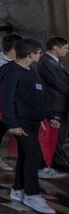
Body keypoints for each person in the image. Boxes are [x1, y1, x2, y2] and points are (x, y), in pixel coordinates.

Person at [1, 38, 60, 214]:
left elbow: (37, 98)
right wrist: (12, 124)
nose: (41, 55)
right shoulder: (12, 73)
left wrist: (49, 116)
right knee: (34, 156)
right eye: (39, 52)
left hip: (33, 120)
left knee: (25, 156)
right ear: (30, 54)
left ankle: (17, 189)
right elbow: (6, 100)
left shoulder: (31, 72)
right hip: (20, 122)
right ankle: (32, 194)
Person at [0, 33, 21, 172]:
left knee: (0, 129)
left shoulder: (14, 61)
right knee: (0, 128)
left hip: (14, 102)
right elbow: (0, 84)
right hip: (2, 102)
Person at [37, 36, 69, 171]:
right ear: (55, 48)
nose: (67, 50)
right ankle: (58, 161)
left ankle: (60, 159)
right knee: (57, 134)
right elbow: (58, 82)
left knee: (61, 134)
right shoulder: (46, 62)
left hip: (61, 103)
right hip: (54, 104)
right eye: (65, 47)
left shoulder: (54, 61)